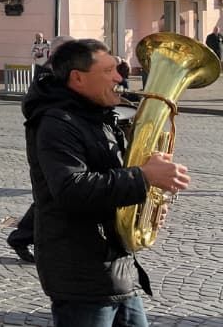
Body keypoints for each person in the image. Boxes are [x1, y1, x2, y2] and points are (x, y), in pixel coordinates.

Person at [25, 38, 189, 326]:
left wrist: (146, 203)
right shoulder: (56, 122)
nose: (119, 77)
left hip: (114, 265)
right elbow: (71, 189)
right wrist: (144, 176)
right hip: (82, 273)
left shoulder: (97, 115)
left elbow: (110, 177)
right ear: (77, 78)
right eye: (108, 71)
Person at [7, 34, 74, 263]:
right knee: (48, 198)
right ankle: (24, 238)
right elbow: (33, 108)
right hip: (43, 143)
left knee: (49, 197)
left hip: (56, 142)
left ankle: (24, 237)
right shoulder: (48, 76)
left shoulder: (59, 72)